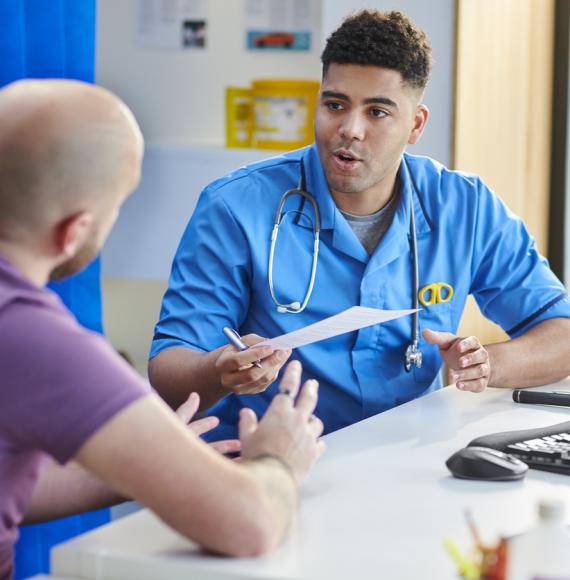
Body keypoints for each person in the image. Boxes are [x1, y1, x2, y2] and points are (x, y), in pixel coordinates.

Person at [149, 9, 570, 442]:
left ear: (415, 125)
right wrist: (218, 370)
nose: (349, 130)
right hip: (265, 463)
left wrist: (489, 364)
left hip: (407, 461)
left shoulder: (465, 207)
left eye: (378, 112)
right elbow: (168, 370)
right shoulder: (234, 207)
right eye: (335, 105)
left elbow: (562, 334)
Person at [0, 79, 325, 580]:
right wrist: (278, 460)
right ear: (75, 231)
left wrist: (142, 464)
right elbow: (252, 524)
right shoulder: (39, 342)